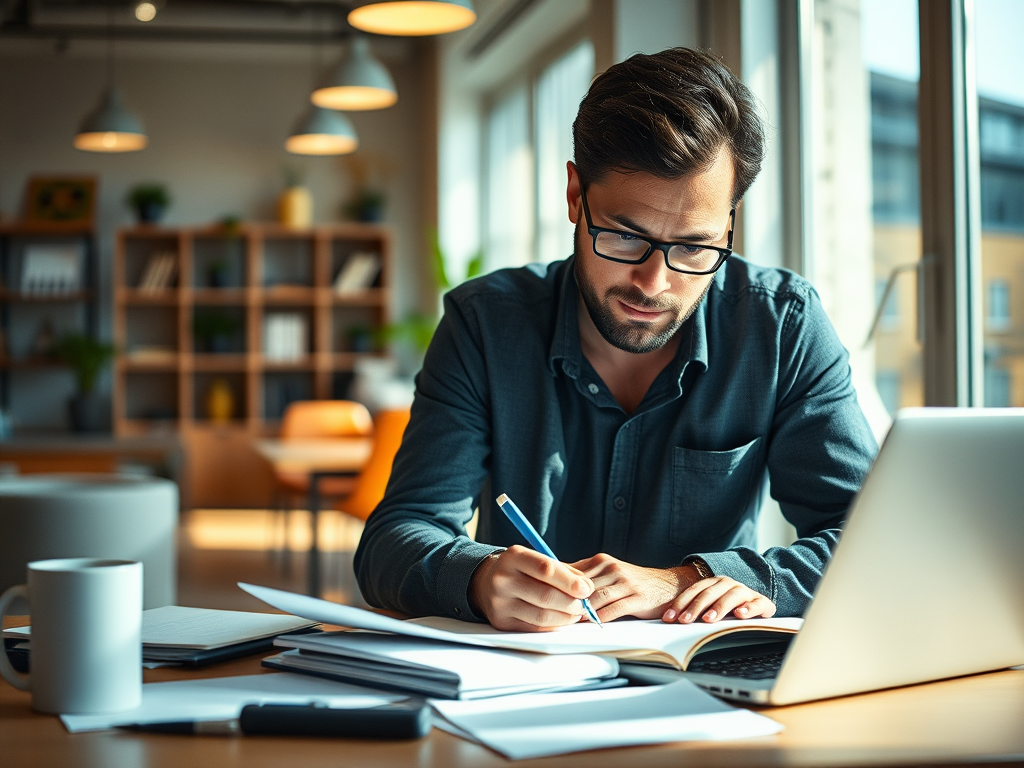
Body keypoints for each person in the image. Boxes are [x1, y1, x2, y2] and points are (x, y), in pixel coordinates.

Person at [355, 47, 876, 632]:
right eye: (626, 238)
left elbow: (873, 541)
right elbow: (393, 539)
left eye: (694, 247)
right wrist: (479, 578)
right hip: (523, 690)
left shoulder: (782, 325)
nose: (654, 283)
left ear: (728, 224)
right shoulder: (485, 324)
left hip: (710, 687)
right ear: (576, 196)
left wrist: (690, 583)